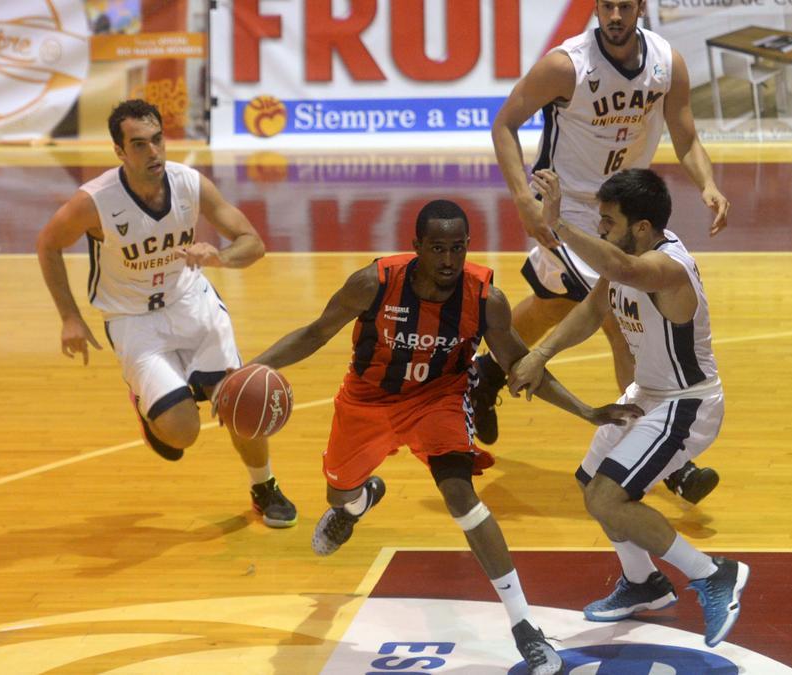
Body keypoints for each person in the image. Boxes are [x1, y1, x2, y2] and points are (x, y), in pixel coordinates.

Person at [250, 200, 642, 675]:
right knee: (339, 491)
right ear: (417, 247)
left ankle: (524, 627)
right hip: (367, 401)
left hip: (439, 399)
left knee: (462, 497)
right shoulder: (373, 283)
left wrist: (587, 411)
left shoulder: (484, 298)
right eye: (438, 248)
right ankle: (358, 502)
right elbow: (315, 333)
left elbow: (523, 363)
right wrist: (253, 369)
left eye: (458, 248)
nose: (450, 260)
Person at [480, 0, 728, 507]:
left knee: (555, 304)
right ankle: (660, 452)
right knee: (616, 314)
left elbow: (685, 131)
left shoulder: (666, 63)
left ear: (640, 7)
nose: (615, 14)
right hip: (566, 210)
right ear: (596, 7)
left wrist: (708, 184)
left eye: (625, 4)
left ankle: (482, 376)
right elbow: (504, 123)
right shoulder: (565, 65)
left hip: (626, 207)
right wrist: (526, 203)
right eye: (606, 4)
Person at [509, 168, 748, 647]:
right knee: (589, 483)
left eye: (608, 220)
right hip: (647, 396)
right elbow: (595, 308)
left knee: (607, 496)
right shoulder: (630, 256)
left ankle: (711, 574)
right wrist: (539, 354)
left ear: (641, 227)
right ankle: (644, 583)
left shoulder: (666, 267)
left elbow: (624, 273)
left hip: (687, 404)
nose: (601, 228)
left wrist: (559, 226)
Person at [37, 99, 297, 528]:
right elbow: (47, 243)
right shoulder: (96, 202)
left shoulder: (191, 184)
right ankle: (150, 406)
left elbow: (253, 241)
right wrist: (69, 317)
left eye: (157, 139)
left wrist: (220, 258)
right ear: (120, 152)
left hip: (191, 305)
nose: (153, 152)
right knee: (182, 433)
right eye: (139, 145)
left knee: (241, 401)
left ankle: (263, 486)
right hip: (133, 319)